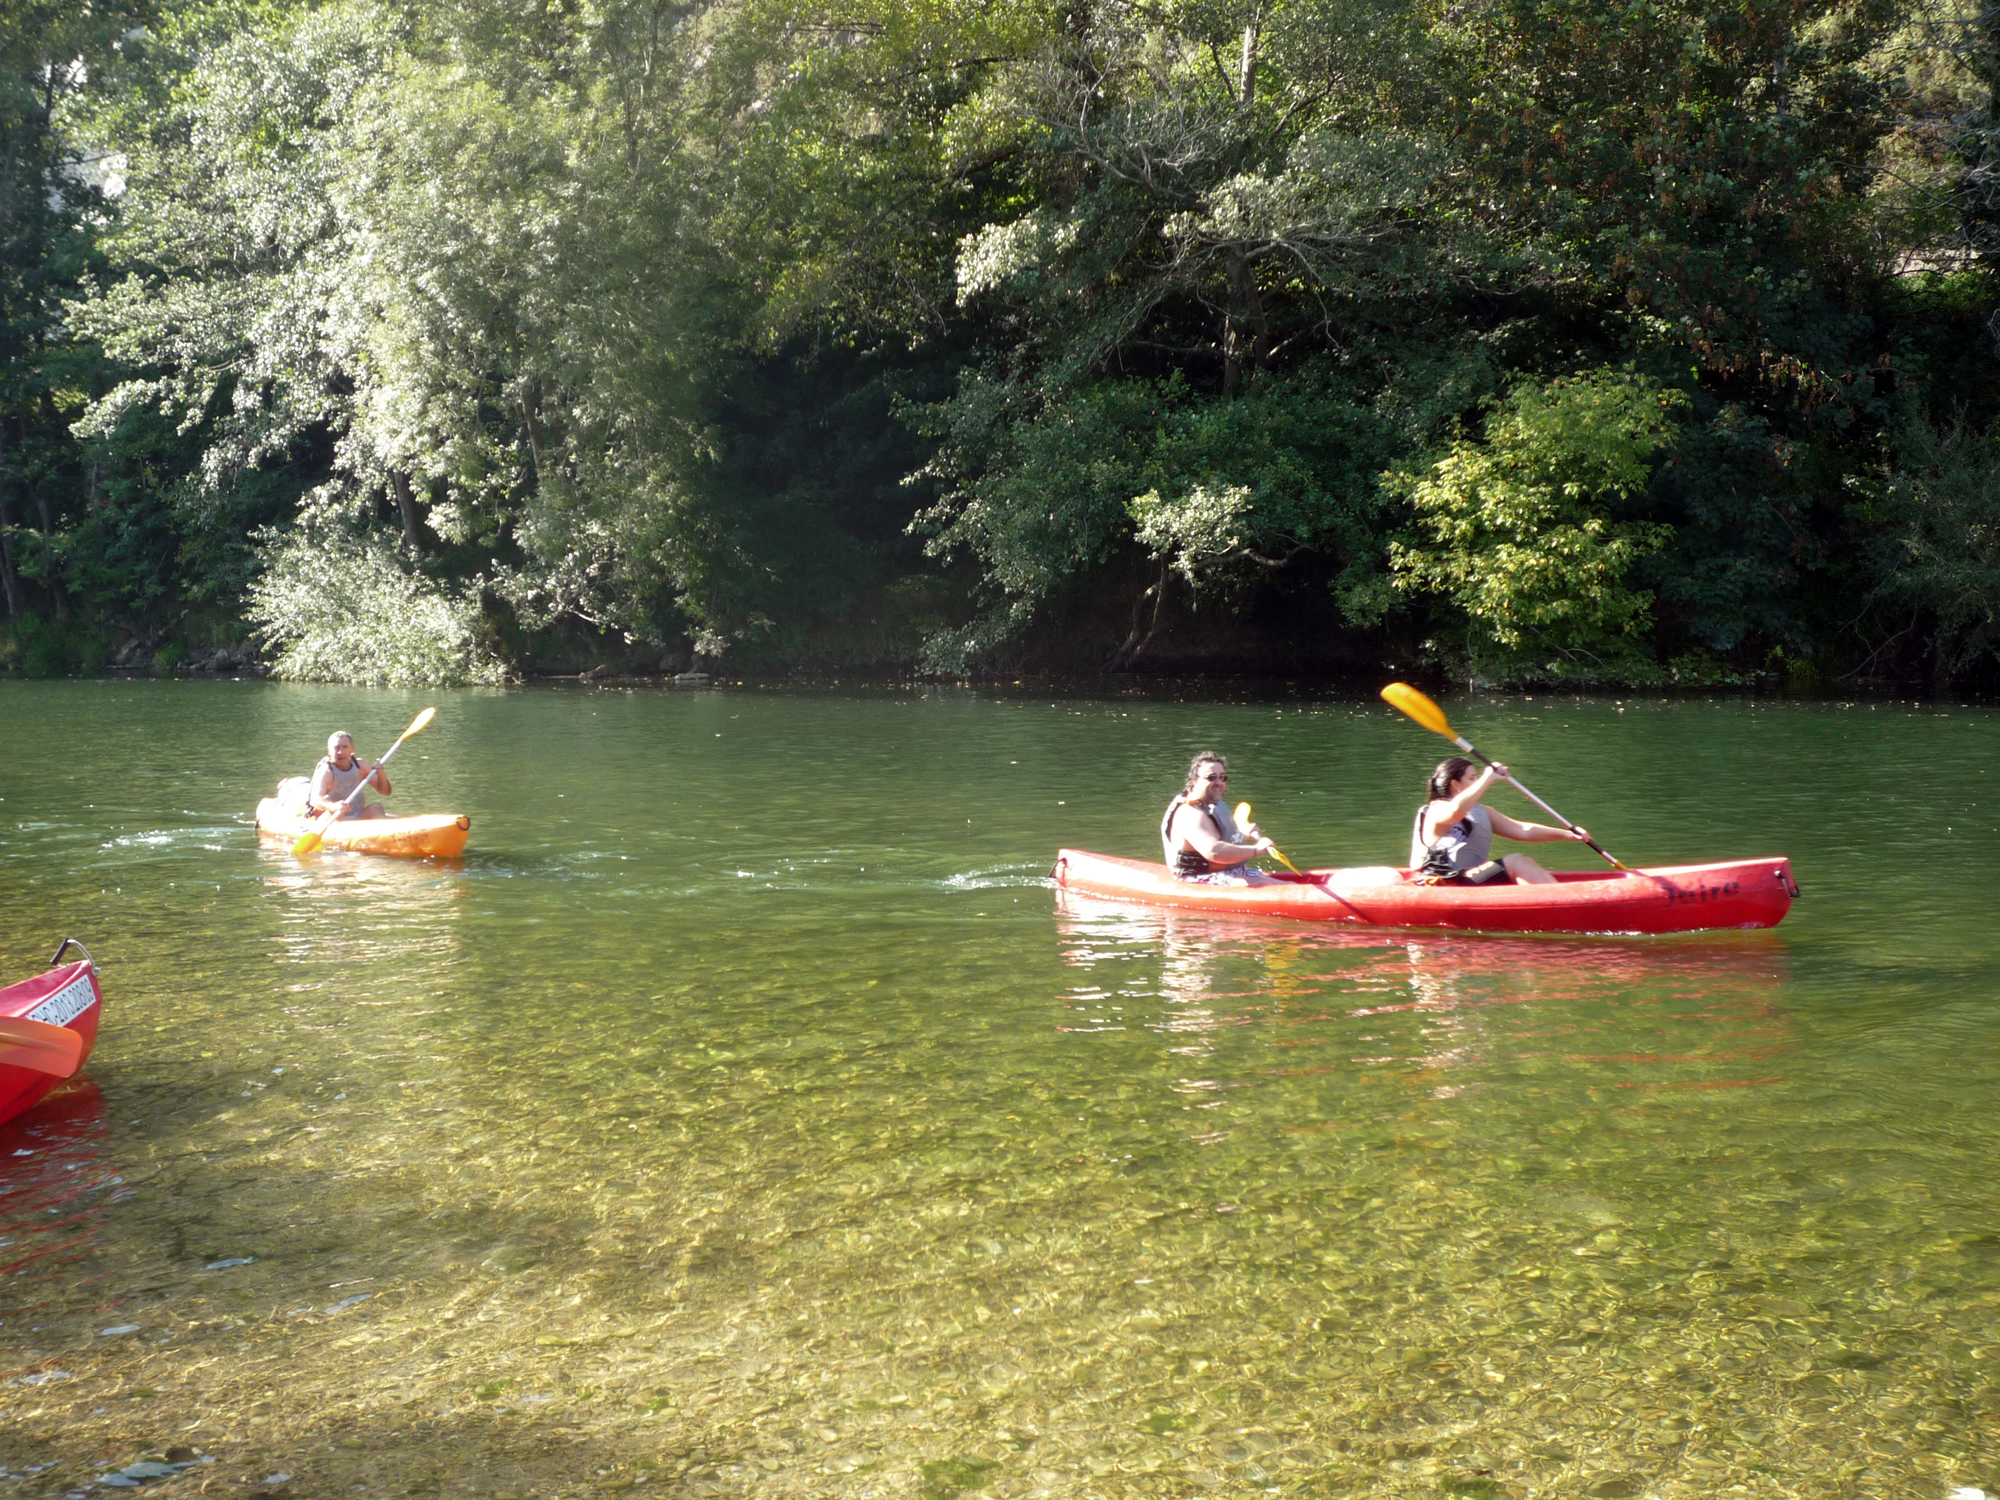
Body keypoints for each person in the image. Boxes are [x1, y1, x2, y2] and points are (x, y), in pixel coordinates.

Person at [1412, 756, 1589, 885]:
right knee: (1516, 861)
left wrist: (1568, 834)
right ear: (1455, 784)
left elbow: (1523, 830)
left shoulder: (1482, 812)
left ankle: (1552, 899)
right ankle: (1557, 902)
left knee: (1523, 861)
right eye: (1472, 778)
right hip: (1442, 882)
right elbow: (1456, 812)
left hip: (1468, 878)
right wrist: (1488, 777)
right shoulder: (1436, 809)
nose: (1477, 781)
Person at [1161, 752, 1277, 884]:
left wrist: (1240, 832)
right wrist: (1256, 850)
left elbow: (1215, 831)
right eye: (1211, 778)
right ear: (1195, 781)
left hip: (1231, 872)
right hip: (1198, 877)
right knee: (1262, 885)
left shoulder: (1210, 803)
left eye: (1222, 777)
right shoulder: (1190, 813)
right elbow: (1214, 851)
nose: (1219, 783)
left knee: (1284, 884)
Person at [308, 730, 392, 820]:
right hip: (334, 818)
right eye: (337, 748)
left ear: (352, 749)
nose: (341, 752)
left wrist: (381, 774)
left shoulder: (361, 766)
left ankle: (388, 833)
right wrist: (332, 806)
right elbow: (314, 799)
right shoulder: (327, 771)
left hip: (357, 816)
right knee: (334, 813)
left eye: (345, 747)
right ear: (329, 751)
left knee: (376, 807)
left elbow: (385, 792)